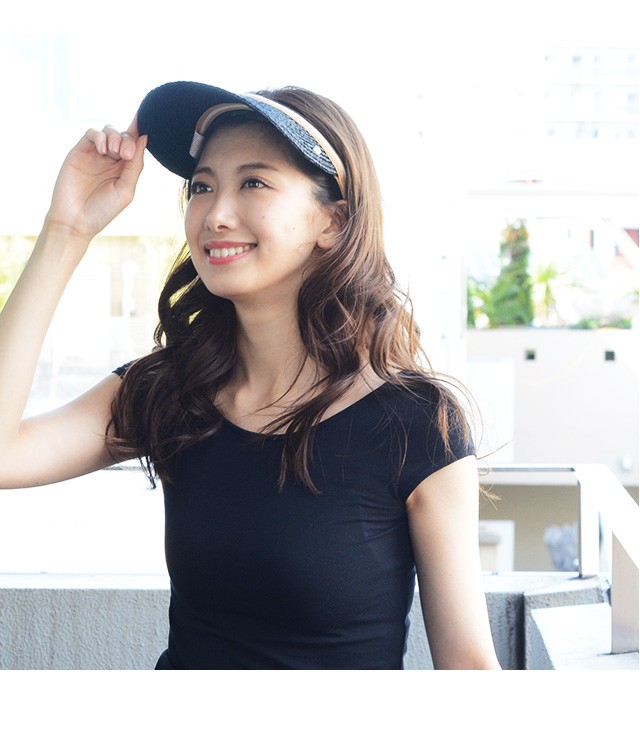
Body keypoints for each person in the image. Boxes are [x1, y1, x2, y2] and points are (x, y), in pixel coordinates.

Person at [0, 80, 501, 670]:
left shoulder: (414, 424)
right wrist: (67, 231)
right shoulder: (172, 390)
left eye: (254, 183)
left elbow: (468, 671)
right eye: (202, 186)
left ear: (333, 222)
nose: (216, 214)